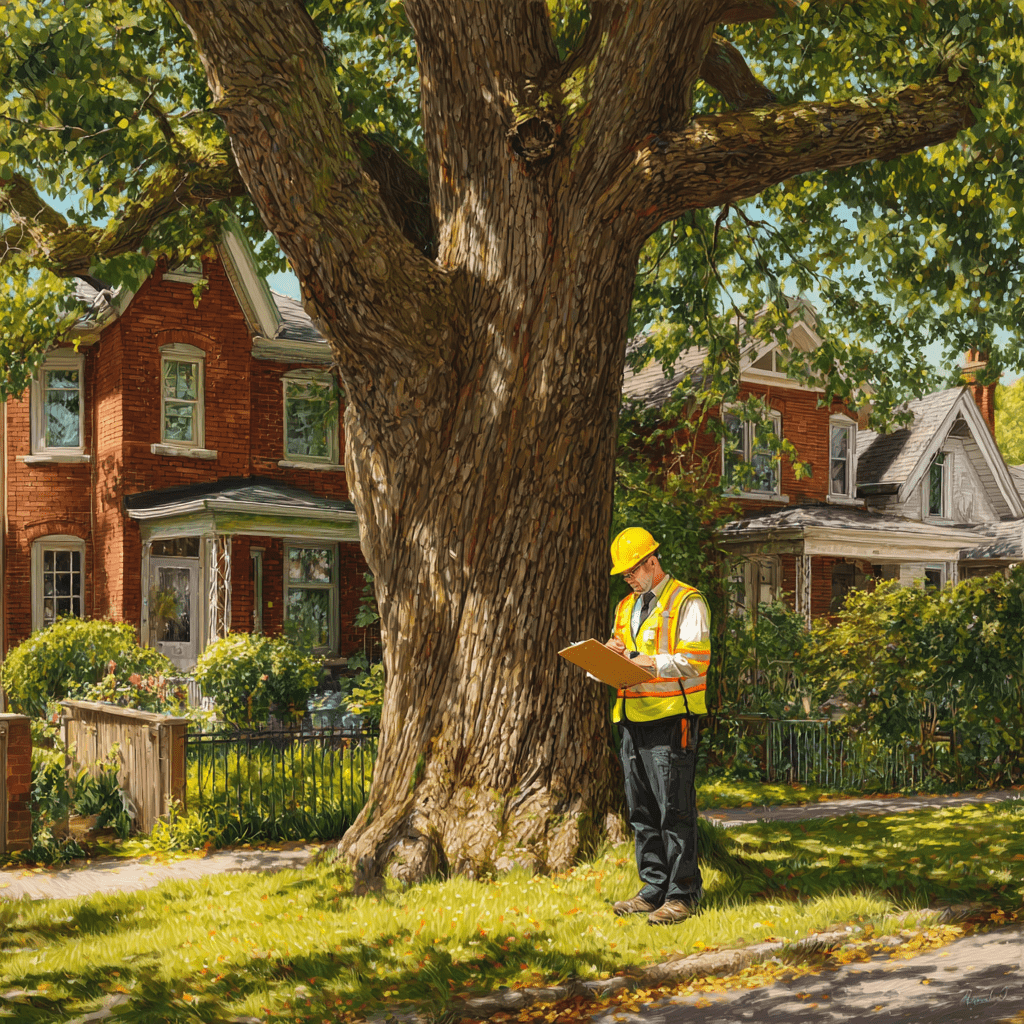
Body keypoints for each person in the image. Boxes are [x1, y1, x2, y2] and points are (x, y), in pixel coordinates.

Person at [605, 527, 710, 925]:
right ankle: (652, 888)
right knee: (641, 810)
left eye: (633, 571)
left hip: (672, 717)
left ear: (653, 562)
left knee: (675, 810)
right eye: (625, 575)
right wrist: (610, 656)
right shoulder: (625, 607)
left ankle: (682, 893)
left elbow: (695, 660)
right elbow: (621, 649)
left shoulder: (687, 601)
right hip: (632, 717)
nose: (629, 579)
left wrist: (643, 661)